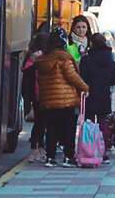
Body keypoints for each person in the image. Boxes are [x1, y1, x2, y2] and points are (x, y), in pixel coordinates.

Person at [36, 28, 89, 168]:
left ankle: (50, 158)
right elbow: (72, 77)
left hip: (48, 101)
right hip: (66, 101)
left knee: (51, 129)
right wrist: (85, 87)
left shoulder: (43, 60)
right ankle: (68, 157)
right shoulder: (64, 58)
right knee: (68, 130)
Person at [79, 33, 115, 163]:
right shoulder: (109, 58)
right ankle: (104, 151)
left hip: (90, 94)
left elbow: (82, 78)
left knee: (89, 123)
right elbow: (113, 78)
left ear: (91, 44)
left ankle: (89, 150)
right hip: (104, 94)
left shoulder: (86, 59)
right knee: (103, 123)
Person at [22, 32, 49, 163]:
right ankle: (37, 148)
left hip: (36, 95)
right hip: (43, 94)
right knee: (41, 122)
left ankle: (37, 148)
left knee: (40, 122)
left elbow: (26, 74)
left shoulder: (30, 57)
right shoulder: (43, 57)